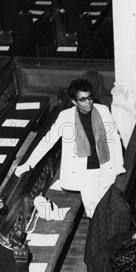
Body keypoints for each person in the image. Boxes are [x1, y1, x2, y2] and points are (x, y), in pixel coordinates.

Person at [15, 79, 125, 218]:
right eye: (83, 99)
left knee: (110, 211)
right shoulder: (65, 117)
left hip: (105, 166)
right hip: (85, 174)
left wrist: (119, 166)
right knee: (95, 214)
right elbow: (46, 142)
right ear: (74, 102)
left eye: (90, 97)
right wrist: (28, 164)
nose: (88, 102)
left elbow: (115, 140)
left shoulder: (103, 111)